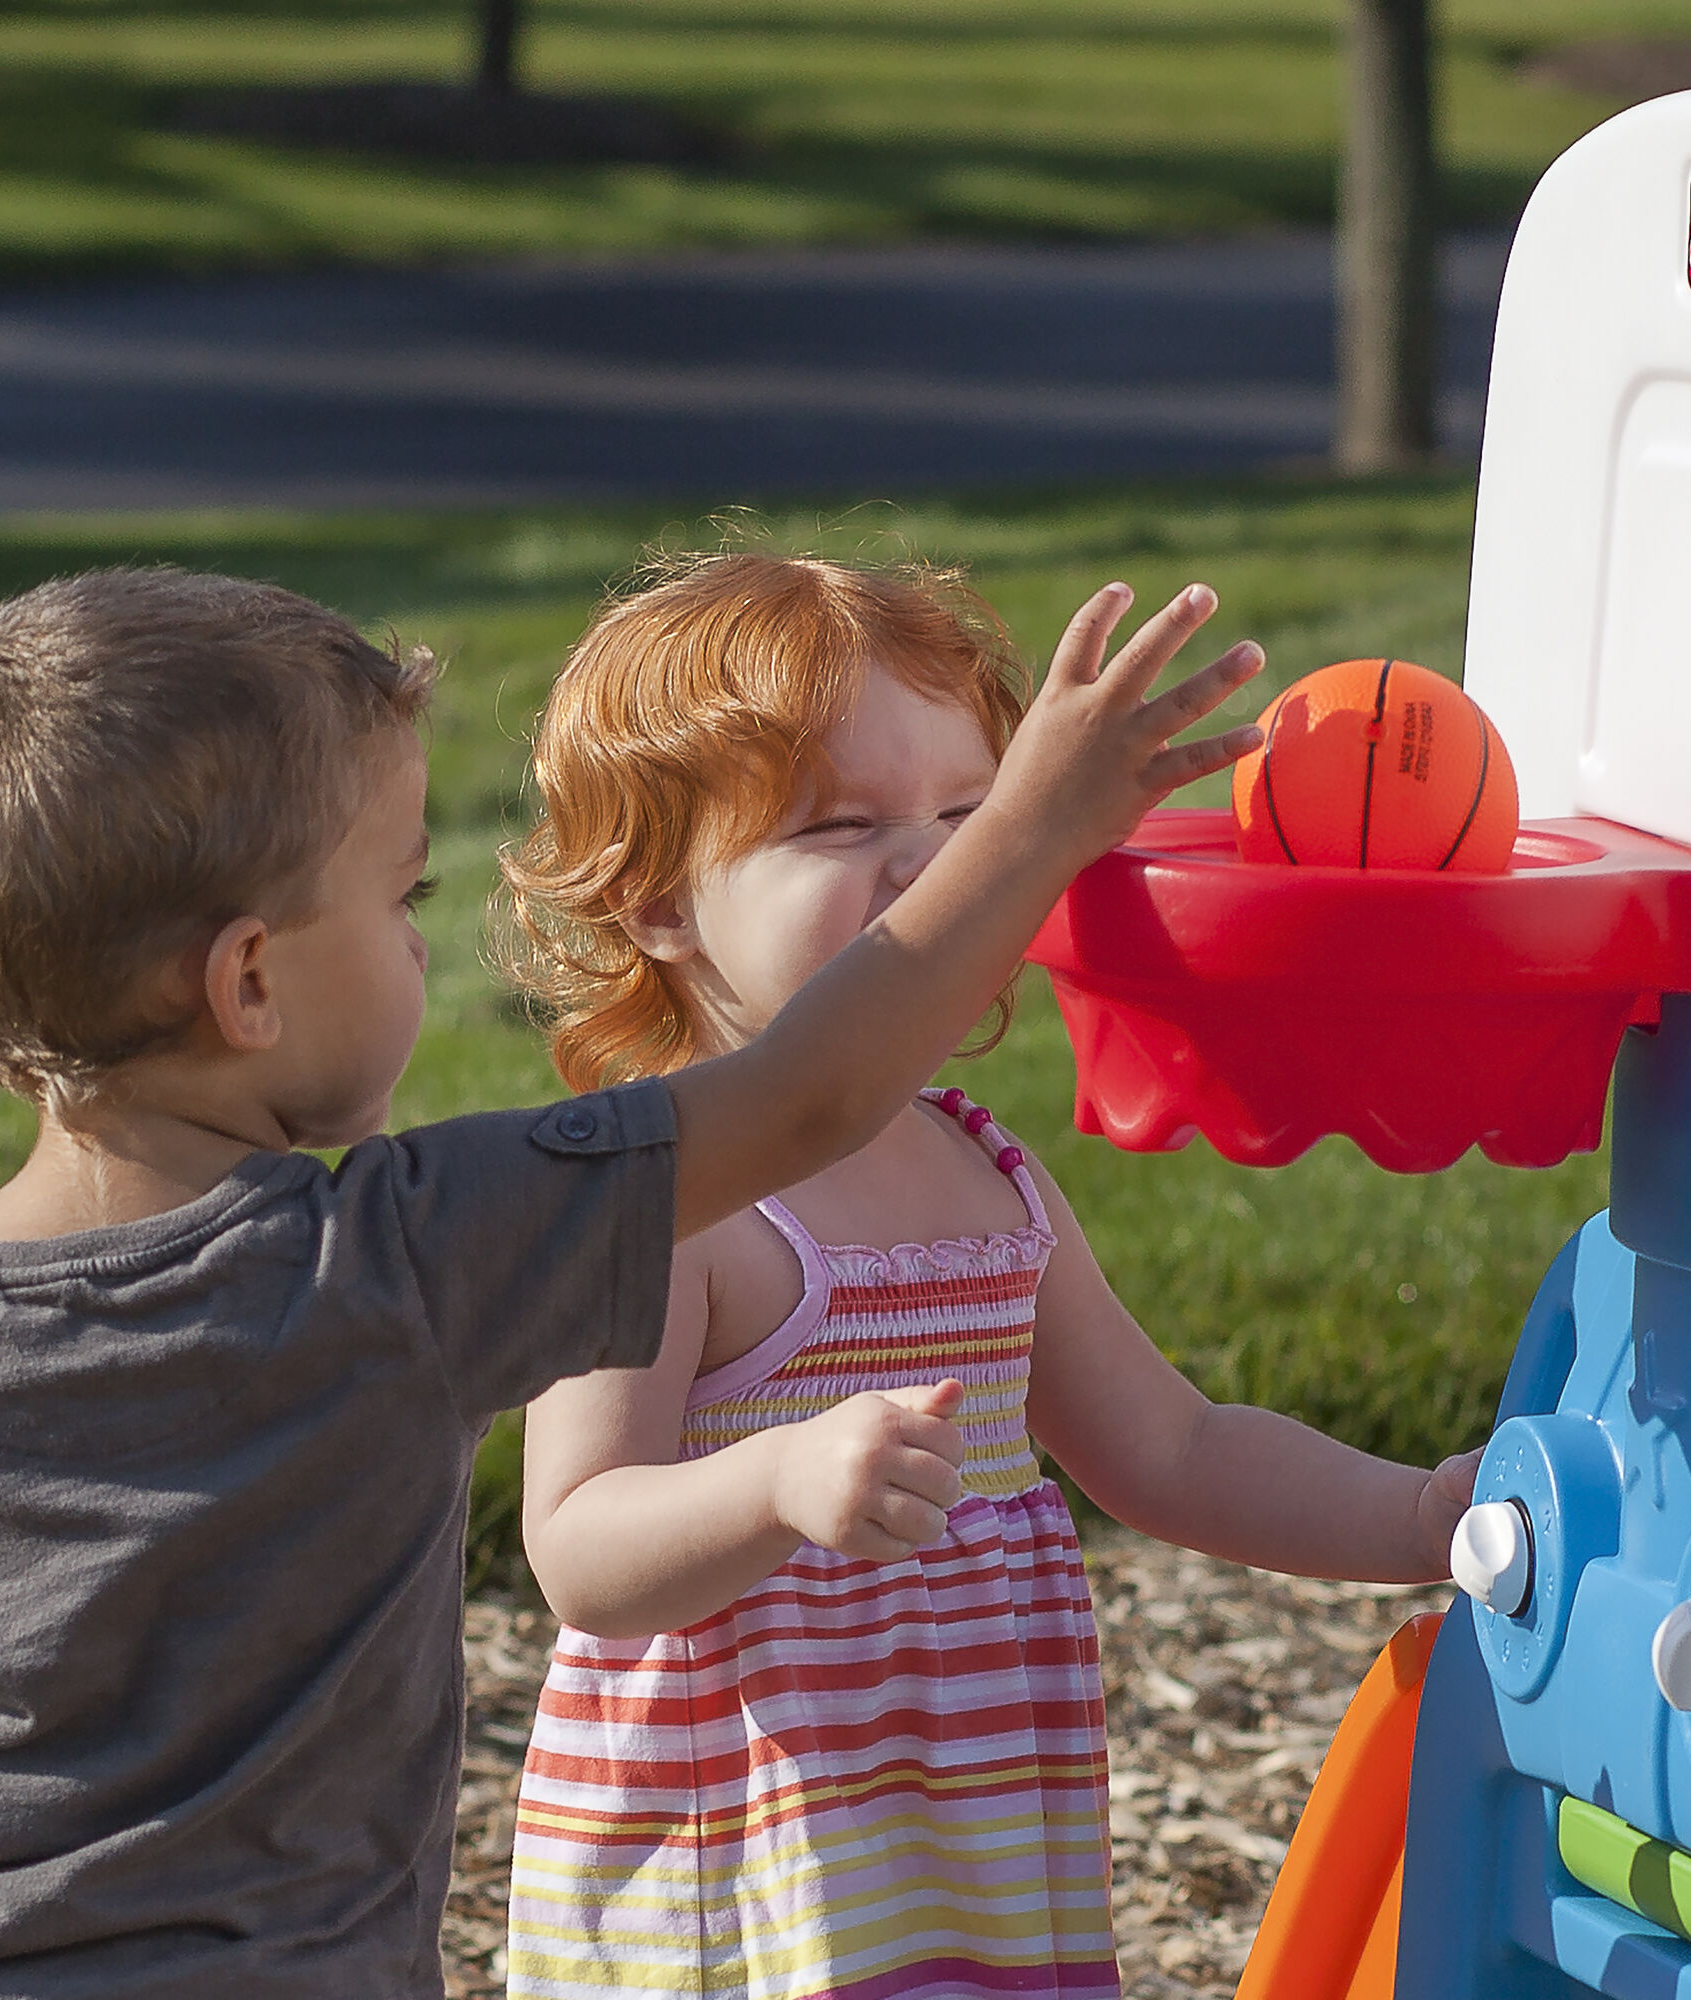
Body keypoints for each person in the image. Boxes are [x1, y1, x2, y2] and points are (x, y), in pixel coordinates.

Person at [0, 563, 1259, 2000]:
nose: (418, 940)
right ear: (251, 987)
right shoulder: (411, 1259)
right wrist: (1029, 829)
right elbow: (805, 1097)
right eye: (401, 897)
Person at [498, 551, 1483, 2000]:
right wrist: (774, 1485)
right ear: (654, 904)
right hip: (740, 1890)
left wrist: (1415, 1517)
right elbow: (578, 1546)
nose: (939, 866)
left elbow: (1177, 1448)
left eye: (972, 817)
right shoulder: (670, 1203)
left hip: (962, 1851)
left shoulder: (981, 1174)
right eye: (841, 826)